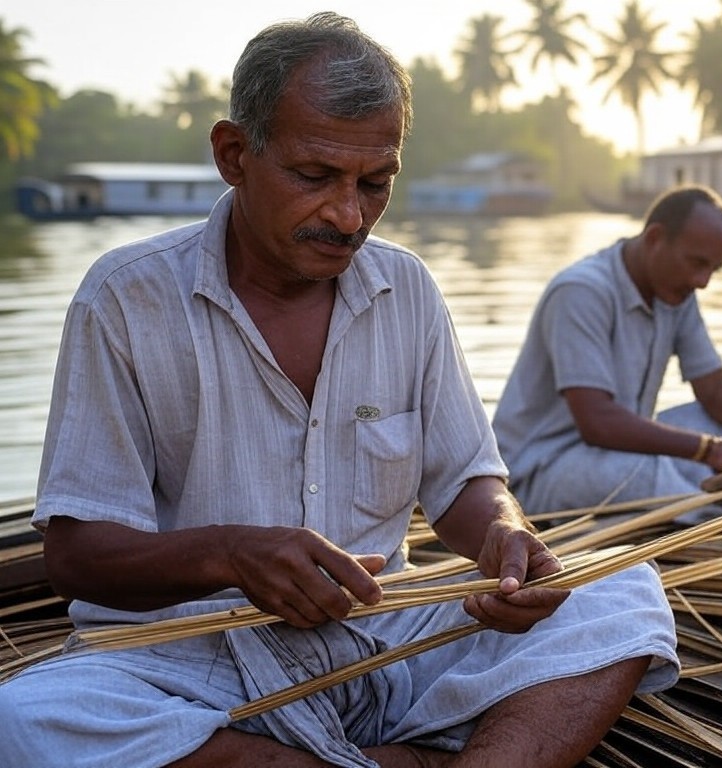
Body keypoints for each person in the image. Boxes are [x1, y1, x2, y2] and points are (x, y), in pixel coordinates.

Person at [0, 13, 679, 768]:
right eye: (314, 176)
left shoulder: (408, 289)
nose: (348, 215)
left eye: (375, 182)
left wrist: (503, 537)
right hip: (188, 658)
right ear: (234, 154)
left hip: (379, 636)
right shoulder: (127, 298)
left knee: (623, 590)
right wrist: (232, 555)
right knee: (25, 720)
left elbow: (465, 483)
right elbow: (78, 557)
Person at [492, 184, 722, 520]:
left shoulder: (676, 291)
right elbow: (597, 422)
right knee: (641, 473)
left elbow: (714, 389)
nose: (703, 281)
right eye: (696, 263)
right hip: (539, 474)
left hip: (614, 451)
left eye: (713, 269)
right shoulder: (581, 292)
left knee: (720, 424)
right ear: (655, 239)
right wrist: (709, 450)